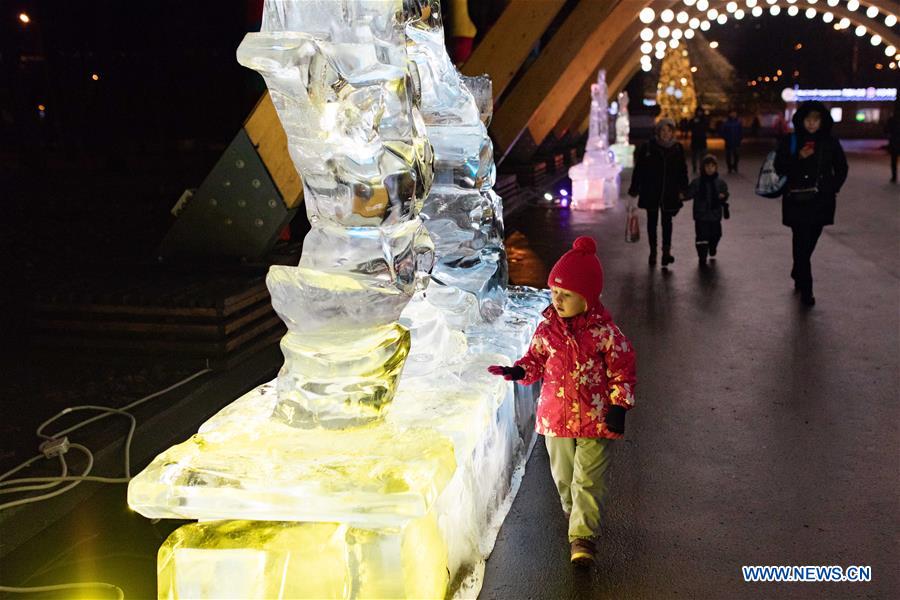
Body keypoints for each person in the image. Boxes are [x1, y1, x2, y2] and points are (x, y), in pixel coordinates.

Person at [487, 236, 636, 567]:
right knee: (565, 479)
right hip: (555, 419)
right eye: (554, 292)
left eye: (566, 295)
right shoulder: (547, 331)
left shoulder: (606, 334)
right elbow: (535, 361)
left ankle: (582, 537)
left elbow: (622, 372)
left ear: (587, 297)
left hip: (596, 420)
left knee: (588, 479)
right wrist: (518, 370)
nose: (557, 300)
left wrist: (618, 405)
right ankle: (575, 513)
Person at [773, 100, 848, 307]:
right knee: (800, 241)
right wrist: (798, 157)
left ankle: (798, 269)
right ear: (801, 120)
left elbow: (841, 168)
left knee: (809, 241)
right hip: (796, 200)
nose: (812, 124)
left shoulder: (830, 142)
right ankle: (807, 289)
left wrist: (831, 187)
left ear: (822, 121)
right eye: (808, 119)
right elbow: (779, 166)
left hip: (821, 201)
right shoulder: (791, 140)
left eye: (816, 119)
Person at [628, 118, 689, 267]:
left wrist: (683, 189)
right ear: (658, 132)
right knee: (652, 222)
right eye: (663, 130)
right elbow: (639, 170)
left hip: (669, 192)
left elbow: (682, 170)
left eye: (669, 131)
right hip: (652, 191)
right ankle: (653, 251)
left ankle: (666, 252)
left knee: (667, 222)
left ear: (672, 132)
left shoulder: (677, 148)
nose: (666, 134)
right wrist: (634, 189)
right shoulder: (648, 147)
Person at [685, 155, 730, 266]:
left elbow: (725, 193)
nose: (710, 169)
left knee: (716, 234)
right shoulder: (697, 182)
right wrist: (681, 196)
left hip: (715, 214)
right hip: (701, 215)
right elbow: (689, 194)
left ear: (716, 168)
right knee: (701, 237)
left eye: (712, 166)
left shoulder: (720, 182)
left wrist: (723, 196)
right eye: (707, 166)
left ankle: (712, 247)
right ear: (703, 168)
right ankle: (702, 256)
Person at [689, 107, 709, 173]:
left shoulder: (705, 120)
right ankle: (694, 167)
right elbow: (690, 126)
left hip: (702, 139)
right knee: (694, 155)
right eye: (698, 111)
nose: (699, 113)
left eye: (700, 111)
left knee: (702, 155)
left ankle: (701, 167)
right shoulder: (693, 119)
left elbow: (706, 127)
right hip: (694, 139)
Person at [885, 99, 900, 183]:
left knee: (894, 161)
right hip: (895, 142)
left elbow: (886, 130)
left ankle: (894, 177)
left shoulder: (892, 119)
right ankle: (894, 177)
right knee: (893, 161)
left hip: (894, 142)